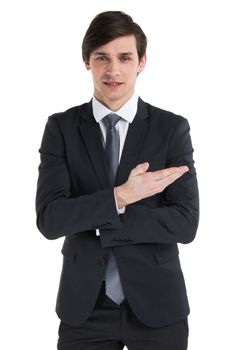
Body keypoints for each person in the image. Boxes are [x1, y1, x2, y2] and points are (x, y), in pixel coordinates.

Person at [36, 10, 199, 350]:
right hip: (85, 309)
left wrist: (100, 218)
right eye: (102, 58)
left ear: (141, 62)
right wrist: (120, 197)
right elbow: (51, 220)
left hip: (158, 305)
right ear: (87, 62)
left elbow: (185, 224)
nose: (113, 70)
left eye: (124, 57)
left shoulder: (171, 129)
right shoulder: (61, 129)